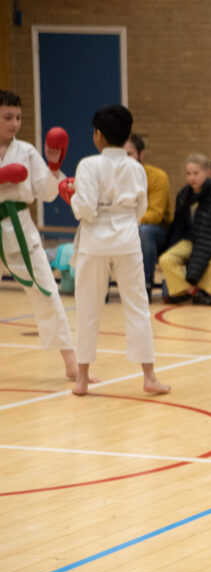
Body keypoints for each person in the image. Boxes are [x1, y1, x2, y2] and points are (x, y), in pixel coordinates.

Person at [65, 105, 170, 397]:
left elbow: (84, 208)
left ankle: (82, 379)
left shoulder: (88, 165)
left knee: (88, 306)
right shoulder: (136, 168)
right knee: (137, 306)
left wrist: (74, 202)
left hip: (95, 240)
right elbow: (141, 209)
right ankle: (149, 377)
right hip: (126, 238)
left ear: (98, 135)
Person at [0, 89, 86, 381]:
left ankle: (71, 363)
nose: (14, 123)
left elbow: (48, 194)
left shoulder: (25, 151)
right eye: (7, 117)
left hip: (21, 226)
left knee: (48, 292)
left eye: (18, 118)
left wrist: (54, 165)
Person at [158, 153, 211, 305]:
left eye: (196, 173)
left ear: (208, 173)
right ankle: (191, 292)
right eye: (188, 174)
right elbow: (179, 226)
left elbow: (208, 233)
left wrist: (193, 273)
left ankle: (205, 292)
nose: (192, 178)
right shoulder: (184, 195)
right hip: (192, 240)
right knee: (166, 259)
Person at [125, 133, 173, 294]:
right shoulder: (115, 178)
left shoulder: (158, 177)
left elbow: (155, 215)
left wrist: (125, 219)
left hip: (158, 232)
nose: (126, 159)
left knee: (144, 231)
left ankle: (145, 283)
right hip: (125, 227)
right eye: (122, 154)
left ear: (141, 154)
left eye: (130, 154)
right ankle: (98, 287)